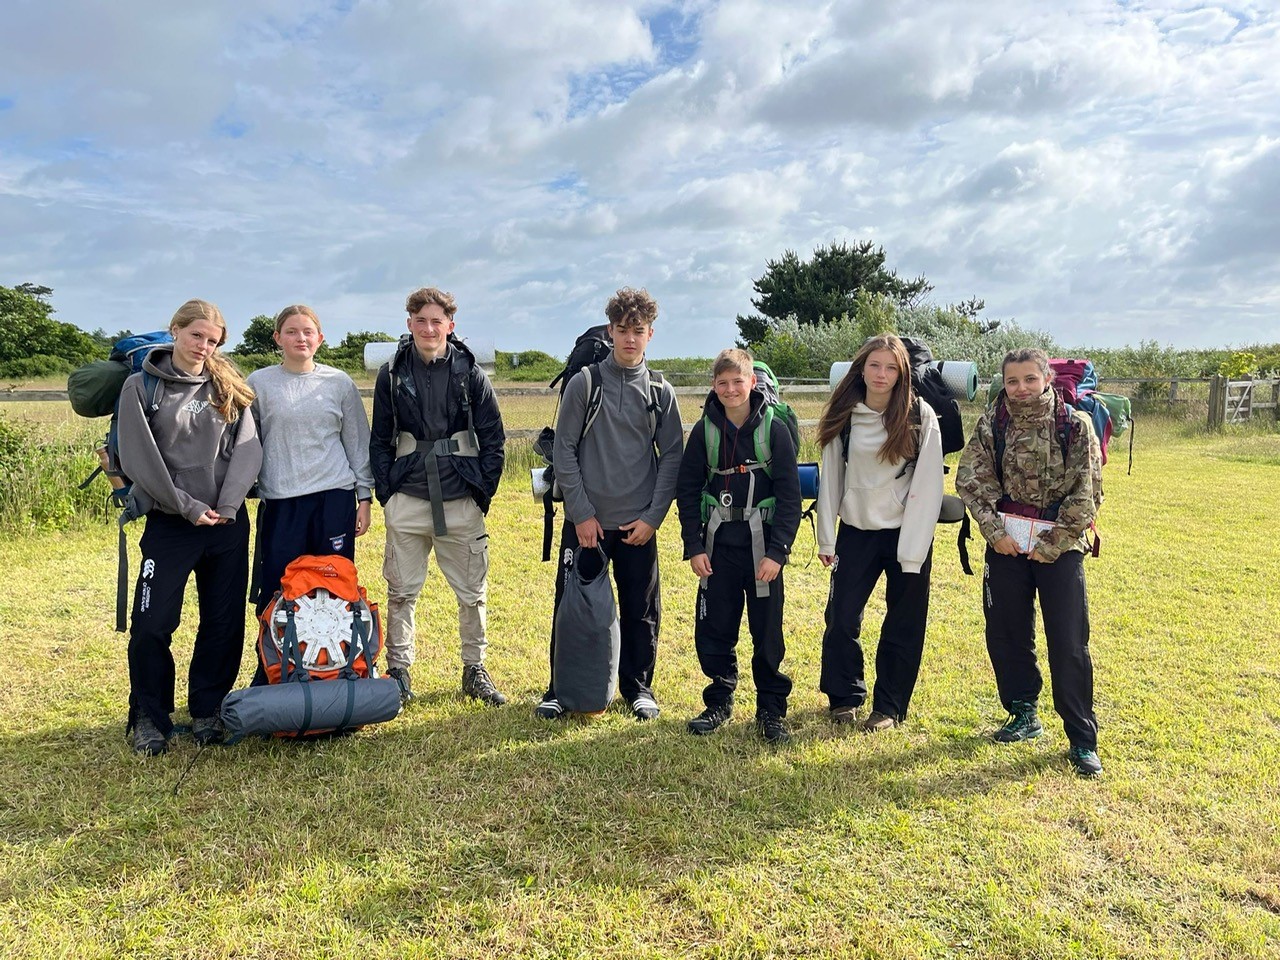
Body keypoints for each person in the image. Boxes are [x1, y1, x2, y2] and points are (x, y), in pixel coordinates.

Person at [117, 299, 262, 755]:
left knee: (222, 622)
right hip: (169, 522)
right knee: (153, 623)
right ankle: (148, 715)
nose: (204, 346)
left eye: (213, 340)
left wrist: (228, 504)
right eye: (196, 335)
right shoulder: (141, 388)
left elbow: (249, 447)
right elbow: (141, 458)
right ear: (174, 331)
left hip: (225, 523)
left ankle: (208, 710)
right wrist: (186, 506)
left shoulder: (227, 384)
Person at [536, 287, 684, 721]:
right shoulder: (585, 383)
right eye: (622, 330)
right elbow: (563, 451)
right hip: (587, 525)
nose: (630, 339)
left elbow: (672, 455)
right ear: (611, 330)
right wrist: (581, 514)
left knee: (641, 609)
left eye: (638, 331)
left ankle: (638, 686)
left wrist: (653, 518)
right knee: (571, 606)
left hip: (638, 524)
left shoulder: (660, 391)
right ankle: (560, 688)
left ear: (650, 334)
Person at [956, 347, 1104, 777]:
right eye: (1012, 381)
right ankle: (1023, 713)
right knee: (1006, 633)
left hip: (1059, 548)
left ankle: (1081, 738)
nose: (1020, 389)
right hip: (1006, 547)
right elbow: (971, 480)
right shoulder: (993, 423)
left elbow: (1088, 492)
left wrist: (1053, 543)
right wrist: (995, 533)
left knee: (1068, 642)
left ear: (1047, 380)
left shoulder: (1074, 427)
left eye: (1029, 380)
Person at [369, 286, 507, 706]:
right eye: (421, 320)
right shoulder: (391, 374)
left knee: (472, 591)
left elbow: (493, 440)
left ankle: (474, 668)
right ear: (409, 324)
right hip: (407, 498)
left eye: (437, 321)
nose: (429, 328)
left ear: (450, 325)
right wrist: (387, 493)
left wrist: (481, 492)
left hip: (461, 499)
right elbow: (379, 440)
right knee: (401, 591)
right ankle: (399, 671)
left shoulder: (471, 373)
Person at [815, 334, 943, 732]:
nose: (882, 374)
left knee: (903, 623)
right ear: (862, 368)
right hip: (856, 532)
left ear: (902, 372)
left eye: (891, 367)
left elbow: (928, 486)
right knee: (841, 617)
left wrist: (914, 550)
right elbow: (831, 478)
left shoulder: (920, 415)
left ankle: (889, 706)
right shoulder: (844, 415)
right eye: (875, 365)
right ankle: (844, 697)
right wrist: (826, 537)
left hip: (907, 534)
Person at [674, 348, 800, 743]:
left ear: (752, 383)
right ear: (714, 386)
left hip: (762, 550)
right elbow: (688, 489)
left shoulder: (774, 431)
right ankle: (719, 700)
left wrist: (778, 552)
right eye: (723, 383)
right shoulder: (704, 432)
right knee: (715, 627)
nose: (731, 389)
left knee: (767, 633)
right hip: (717, 548)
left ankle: (770, 709)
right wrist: (694, 546)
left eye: (738, 382)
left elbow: (790, 497)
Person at [246, 305, 374, 618]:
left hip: (334, 498)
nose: (300, 338)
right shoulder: (259, 383)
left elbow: (357, 443)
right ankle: (273, 665)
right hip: (281, 500)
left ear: (320, 338)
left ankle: (334, 665)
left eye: (307, 332)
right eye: (291, 331)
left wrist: (365, 497)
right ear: (278, 337)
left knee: (333, 585)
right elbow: (247, 443)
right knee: (280, 588)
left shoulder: (339, 382)